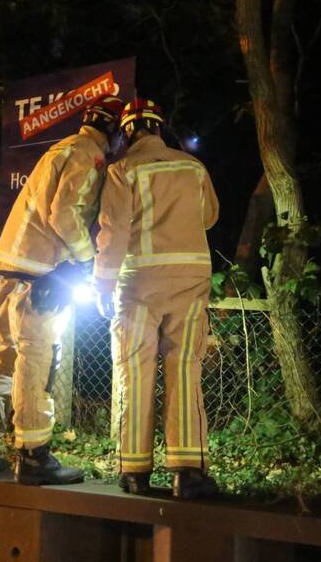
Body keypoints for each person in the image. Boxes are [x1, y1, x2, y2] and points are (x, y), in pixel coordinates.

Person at [0, 95, 123, 485]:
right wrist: (86, 259)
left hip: (11, 265)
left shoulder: (62, 148)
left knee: (5, 357)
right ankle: (34, 456)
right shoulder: (89, 156)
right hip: (40, 274)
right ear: (112, 132)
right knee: (39, 359)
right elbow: (64, 214)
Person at [93, 97, 220, 499]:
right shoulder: (193, 167)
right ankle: (188, 473)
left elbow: (113, 233)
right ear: (160, 128)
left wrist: (102, 286)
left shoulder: (122, 170)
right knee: (185, 367)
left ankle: (134, 472)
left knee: (135, 371)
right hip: (189, 280)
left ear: (128, 132)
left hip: (137, 286)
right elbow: (209, 215)